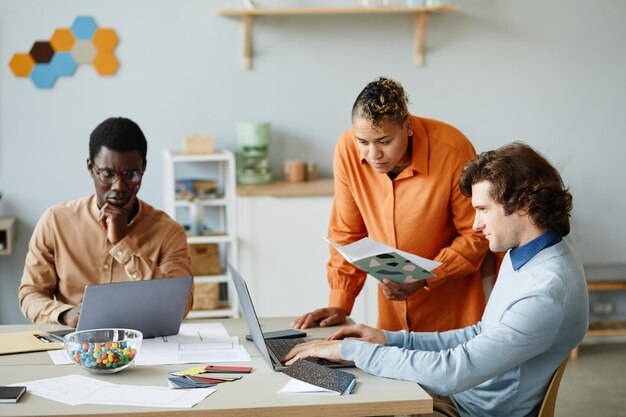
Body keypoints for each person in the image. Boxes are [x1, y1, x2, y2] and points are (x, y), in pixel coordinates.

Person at [285, 142, 589, 417]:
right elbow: (482, 333)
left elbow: (454, 371)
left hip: (466, 410)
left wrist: (347, 351)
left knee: (333, 404)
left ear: (523, 205)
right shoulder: (524, 252)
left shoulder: (547, 291)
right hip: (457, 395)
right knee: (340, 388)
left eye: (483, 210)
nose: (476, 224)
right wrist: (388, 339)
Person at [292, 77, 489, 332]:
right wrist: (341, 301)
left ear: (407, 127)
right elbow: (347, 233)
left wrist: (428, 277)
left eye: (384, 141)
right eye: (363, 142)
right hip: (392, 321)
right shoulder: (346, 149)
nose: (373, 154)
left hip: (454, 316)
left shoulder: (452, 149)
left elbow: (476, 232)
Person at [19, 117, 194, 327]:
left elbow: (180, 306)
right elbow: (30, 294)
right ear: (91, 168)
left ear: (143, 169)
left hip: (143, 346)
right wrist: (66, 314)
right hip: (75, 347)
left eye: (131, 175)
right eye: (107, 174)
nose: (119, 186)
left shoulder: (168, 232)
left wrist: (122, 243)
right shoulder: (55, 222)